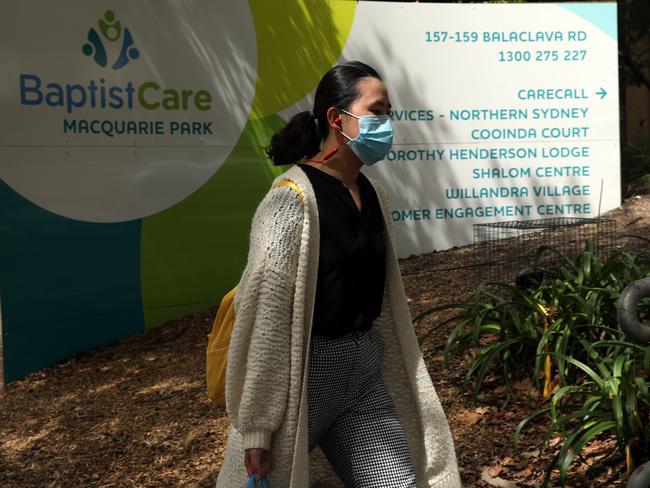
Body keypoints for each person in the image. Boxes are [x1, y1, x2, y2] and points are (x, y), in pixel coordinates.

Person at [216, 61, 461, 488]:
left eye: (389, 112)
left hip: (362, 372)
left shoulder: (375, 195)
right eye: (377, 110)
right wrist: (257, 425)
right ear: (337, 118)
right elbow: (266, 314)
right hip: (302, 379)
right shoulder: (290, 200)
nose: (386, 123)